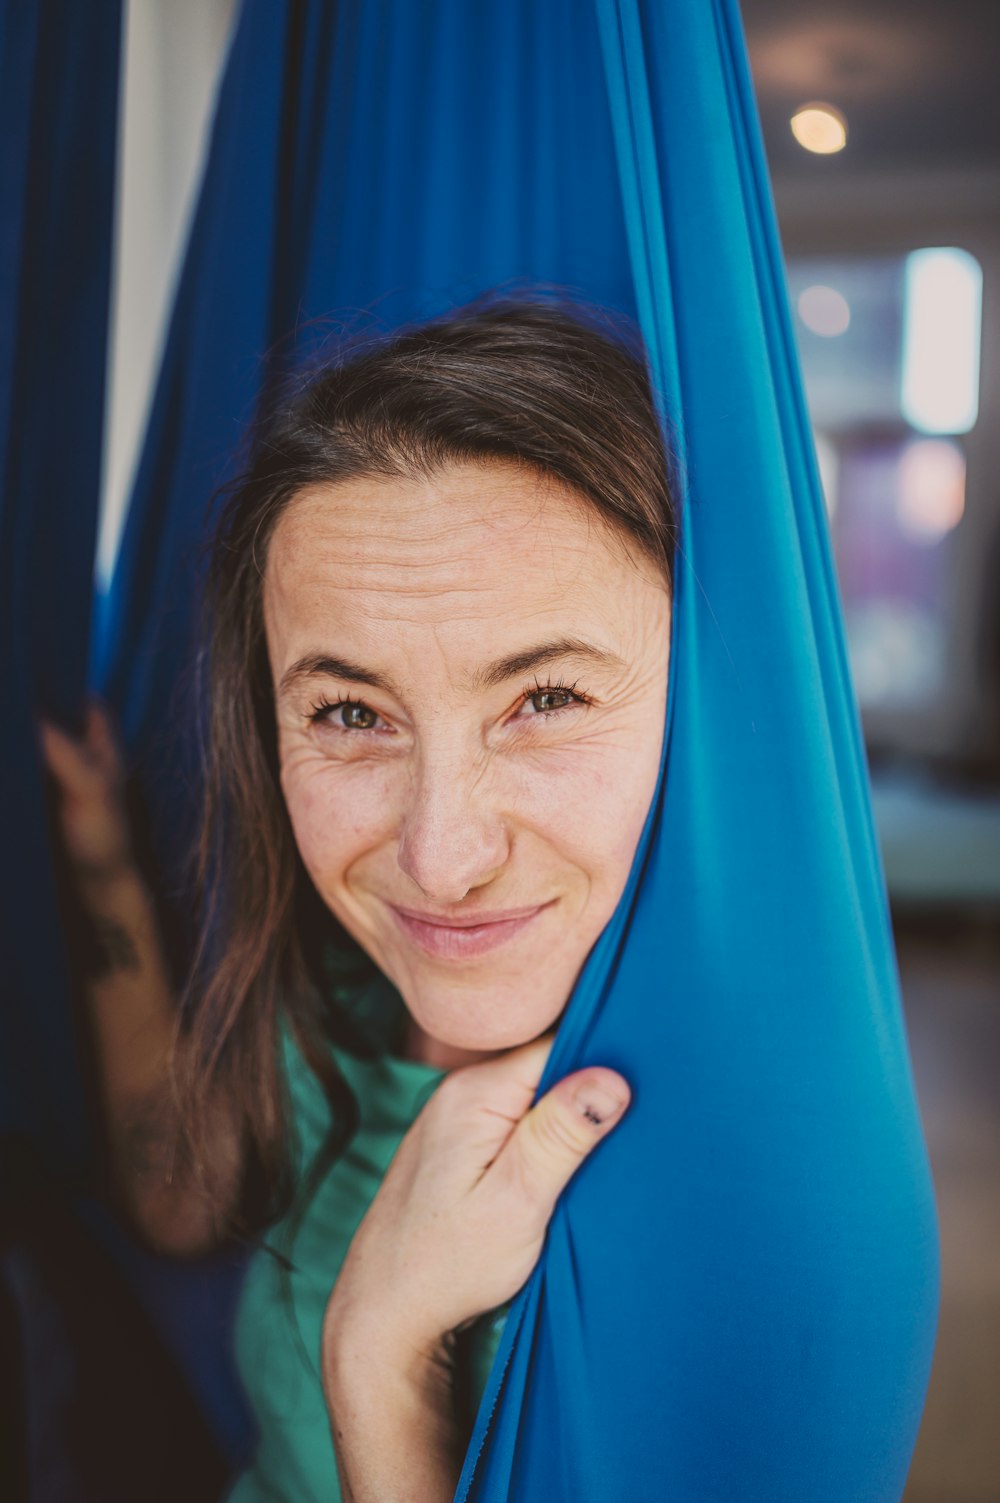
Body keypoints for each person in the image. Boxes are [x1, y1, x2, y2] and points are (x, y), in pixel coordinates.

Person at [40, 296, 678, 1502]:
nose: (440, 859)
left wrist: (380, 1364)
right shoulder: (343, 992)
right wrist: (99, 860)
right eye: (348, 713)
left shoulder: (733, 1182)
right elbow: (177, 1198)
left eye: (544, 699)